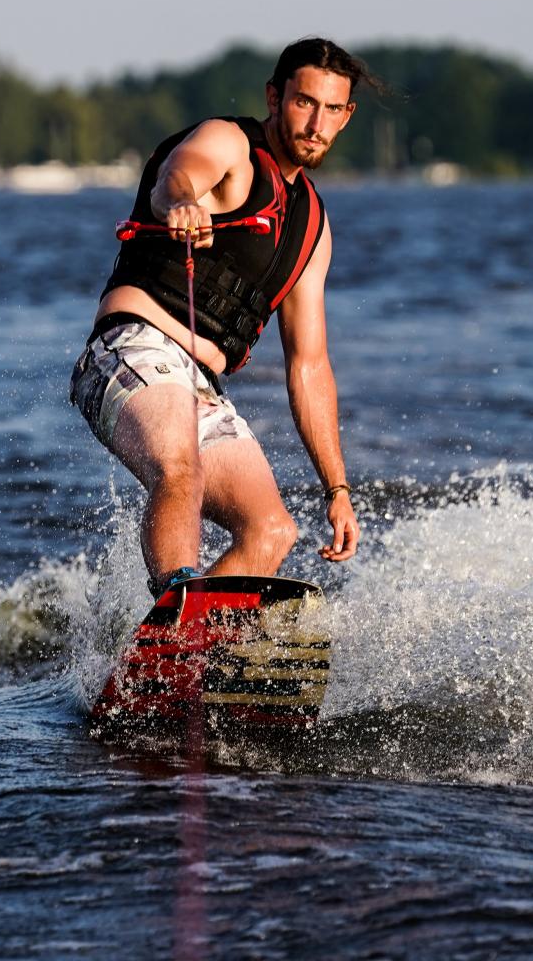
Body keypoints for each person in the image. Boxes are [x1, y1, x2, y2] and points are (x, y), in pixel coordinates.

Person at [69, 36, 371, 599]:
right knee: (180, 468)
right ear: (275, 97)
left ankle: (178, 640)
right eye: (304, 102)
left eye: (332, 109)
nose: (316, 124)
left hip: (198, 385)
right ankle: (178, 599)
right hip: (130, 349)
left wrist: (337, 488)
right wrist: (181, 202)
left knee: (272, 530)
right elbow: (178, 175)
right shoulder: (230, 145)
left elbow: (308, 365)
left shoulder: (313, 228)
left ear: (346, 116)